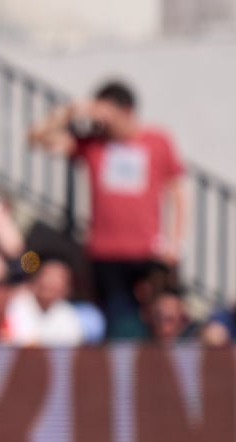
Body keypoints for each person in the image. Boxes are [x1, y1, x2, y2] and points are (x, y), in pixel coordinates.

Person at [28, 80, 185, 339]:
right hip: (105, 254)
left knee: (157, 323)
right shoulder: (93, 144)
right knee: (118, 325)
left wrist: (175, 242)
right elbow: (38, 138)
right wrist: (69, 112)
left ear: (127, 111)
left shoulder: (157, 141)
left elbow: (178, 191)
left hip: (147, 253)